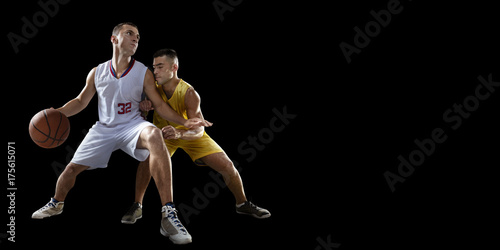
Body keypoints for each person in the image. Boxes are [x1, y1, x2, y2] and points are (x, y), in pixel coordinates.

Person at [31, 23, 209, 245]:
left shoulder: (143, 72)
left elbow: (160, 106)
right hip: (104, 128)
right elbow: (80, 102)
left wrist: (185, 121)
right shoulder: (97, 72)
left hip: (132, 125)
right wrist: (56, 113)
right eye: (129, 34)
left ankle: (168, 214)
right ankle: (56, 203)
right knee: (71, 169)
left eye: (138, 36)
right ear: (114, 39)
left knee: (154, 135)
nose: (136, 38)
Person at [121, 49, 270, 226]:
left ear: (174, 67)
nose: (156, 71)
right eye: (154, 67)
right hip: (163, 135)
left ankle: (242, 203)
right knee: (145, 160)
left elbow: (198, 130)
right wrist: (144, 108)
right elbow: (141, 115)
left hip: (188, 135)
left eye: (160, 67)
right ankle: (137, 205)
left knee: (228, 166)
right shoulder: (153, 88)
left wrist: (180, 132)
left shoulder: (189, 93)